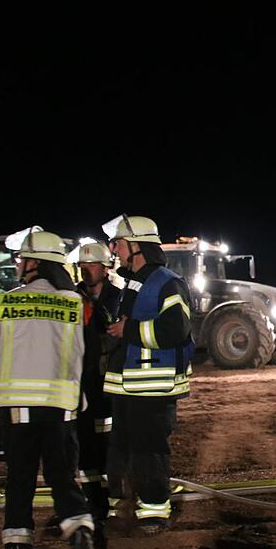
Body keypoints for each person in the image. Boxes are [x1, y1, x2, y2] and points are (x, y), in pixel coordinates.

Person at [0, 229, 99, 549]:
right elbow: (88, 360)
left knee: (20, 481)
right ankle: (80, 537)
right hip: (60, 407)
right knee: (63, 478)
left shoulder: (5, 302)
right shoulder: (78, 304)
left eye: (22, 258)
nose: (18, 264)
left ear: (34, 263)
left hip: (14, 410)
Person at [101, 215, 193, 530]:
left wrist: (130, 329)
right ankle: (123, 505)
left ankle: (154, 511)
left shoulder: (167, 282)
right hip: (127, 387)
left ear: (137, 246)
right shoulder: (129, 283)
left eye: (119, 243)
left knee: (150, 451)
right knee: (123, 450)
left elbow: (176, 328)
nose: (114, 248)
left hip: (153, 386)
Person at [73, 241, 121, 549]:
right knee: (84, 446)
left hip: (109, 383)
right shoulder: (72, 298)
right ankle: (94, 501)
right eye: (83, 266)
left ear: (105, 267)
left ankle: (115, 499)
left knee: (111, 442)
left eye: (91, 265)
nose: (86, 270)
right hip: (81, 383)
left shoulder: (118, 298)